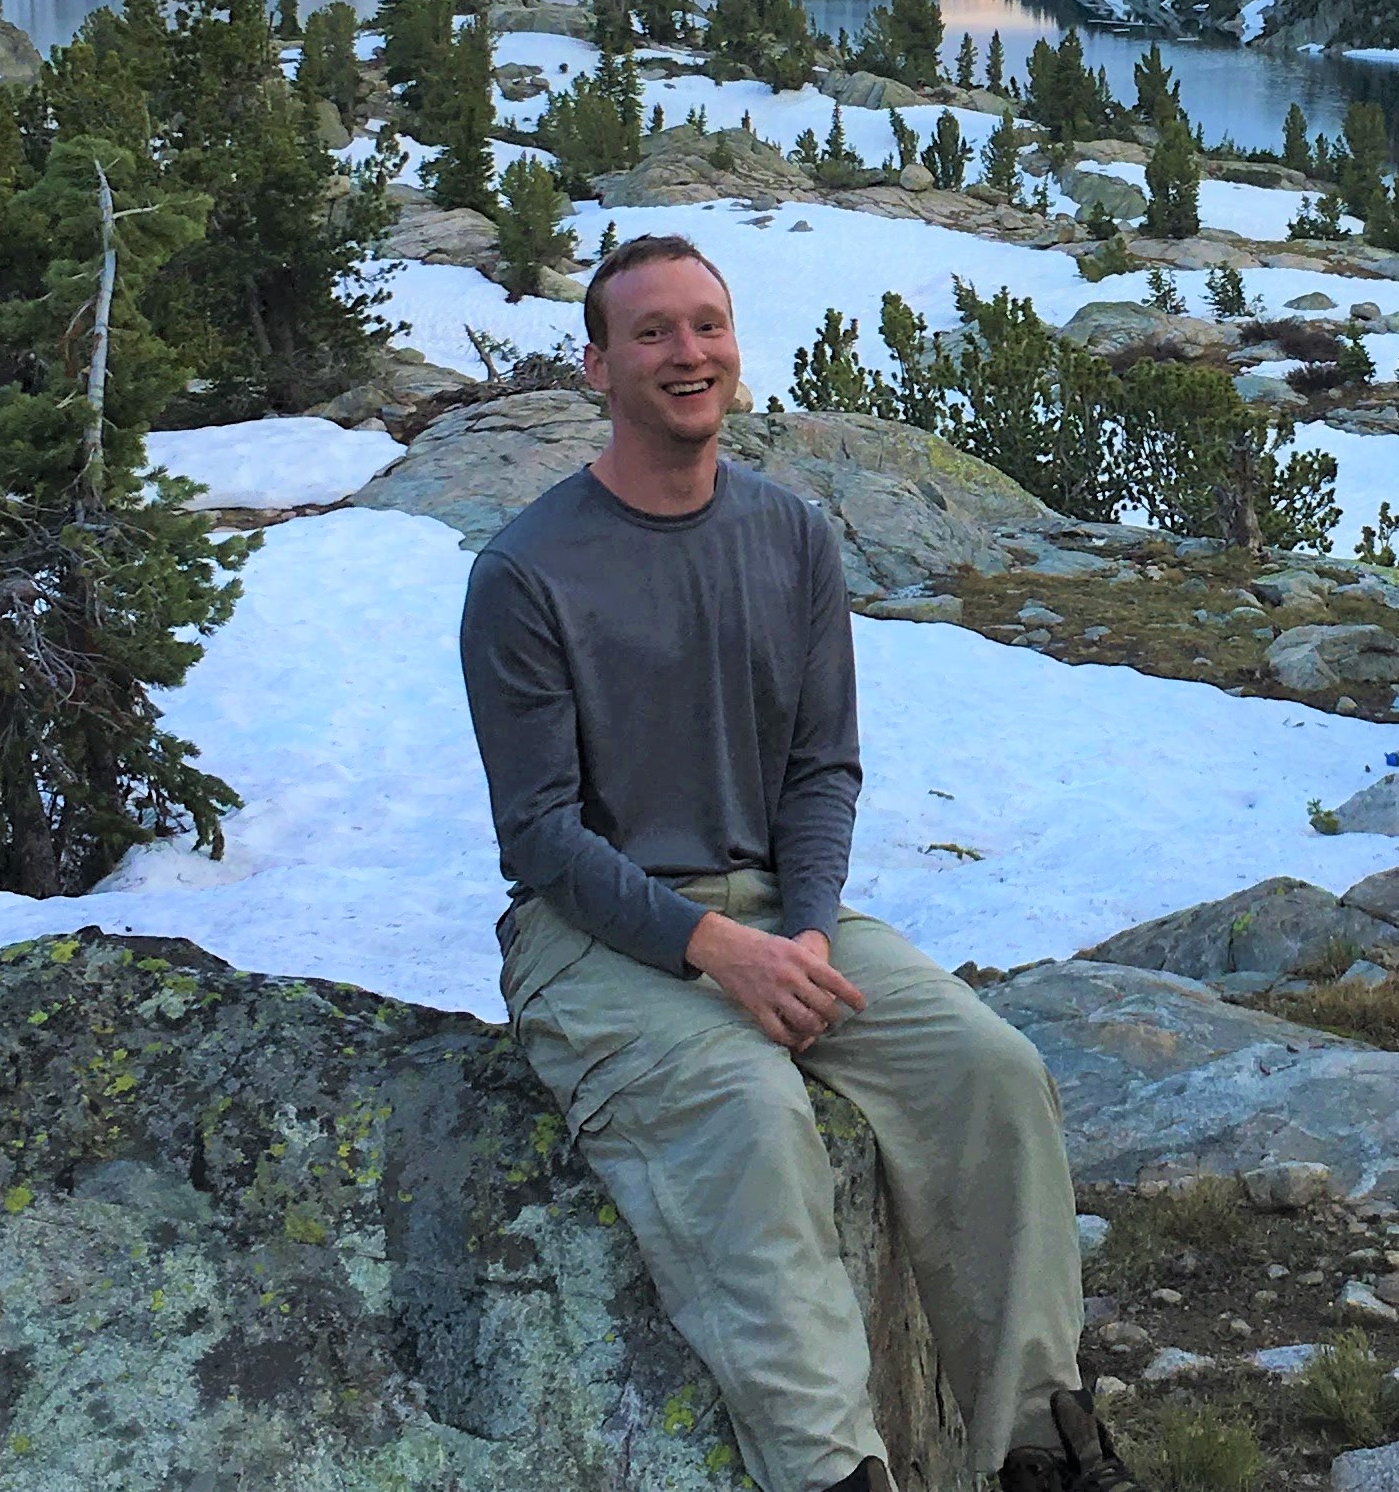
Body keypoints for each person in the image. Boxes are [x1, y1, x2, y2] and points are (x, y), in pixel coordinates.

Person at [459, 233, 1145, 1492]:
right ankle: (837, 1474)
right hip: (594, 936)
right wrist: (716, 952)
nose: (688, 353)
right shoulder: (526, 572)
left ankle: (1043, 1448)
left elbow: (818, 771)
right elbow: (540, 835)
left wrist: (809, 931)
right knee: (756, 1115)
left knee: (992, 1071)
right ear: (598, 363)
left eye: (707, 325)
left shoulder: (792, 538)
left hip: (780, 910)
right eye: (653, 331)